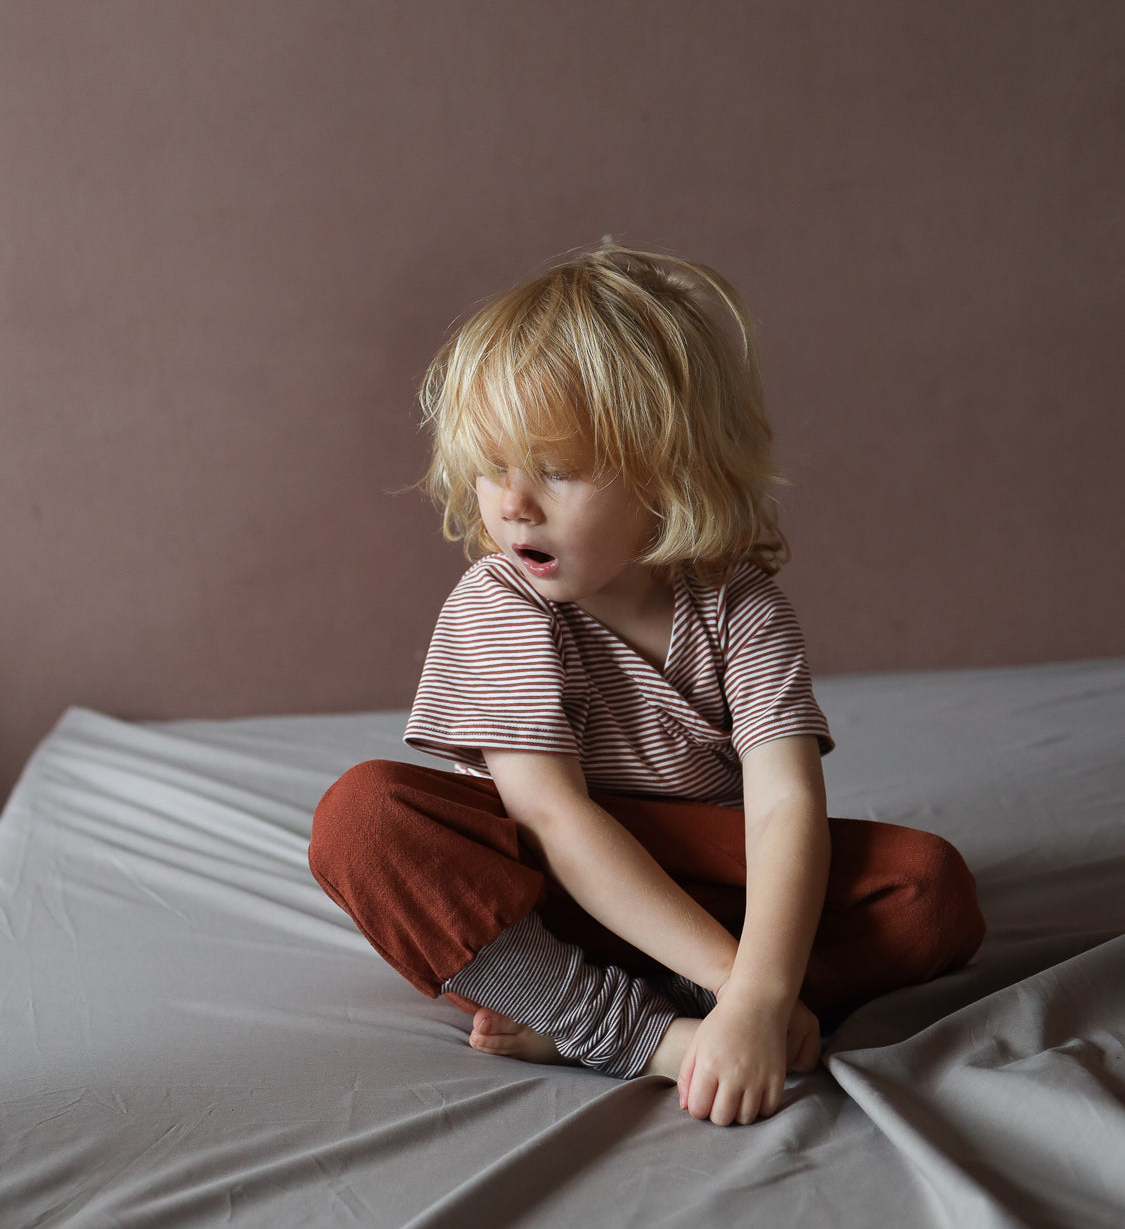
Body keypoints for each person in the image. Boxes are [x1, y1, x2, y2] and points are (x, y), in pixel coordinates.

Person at [309, 246, 985, 1127]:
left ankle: (633, 1013)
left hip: (700, 892)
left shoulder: (739, 606)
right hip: (543, 893)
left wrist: (755, 995)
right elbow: (554, 817)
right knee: (362, 817)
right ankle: (625, 1029)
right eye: (492, 467)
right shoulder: (501, 604)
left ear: (669, 472)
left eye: (555, 470)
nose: (513, 504)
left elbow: (783, 808)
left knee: (930, 890)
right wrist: (741, 992)